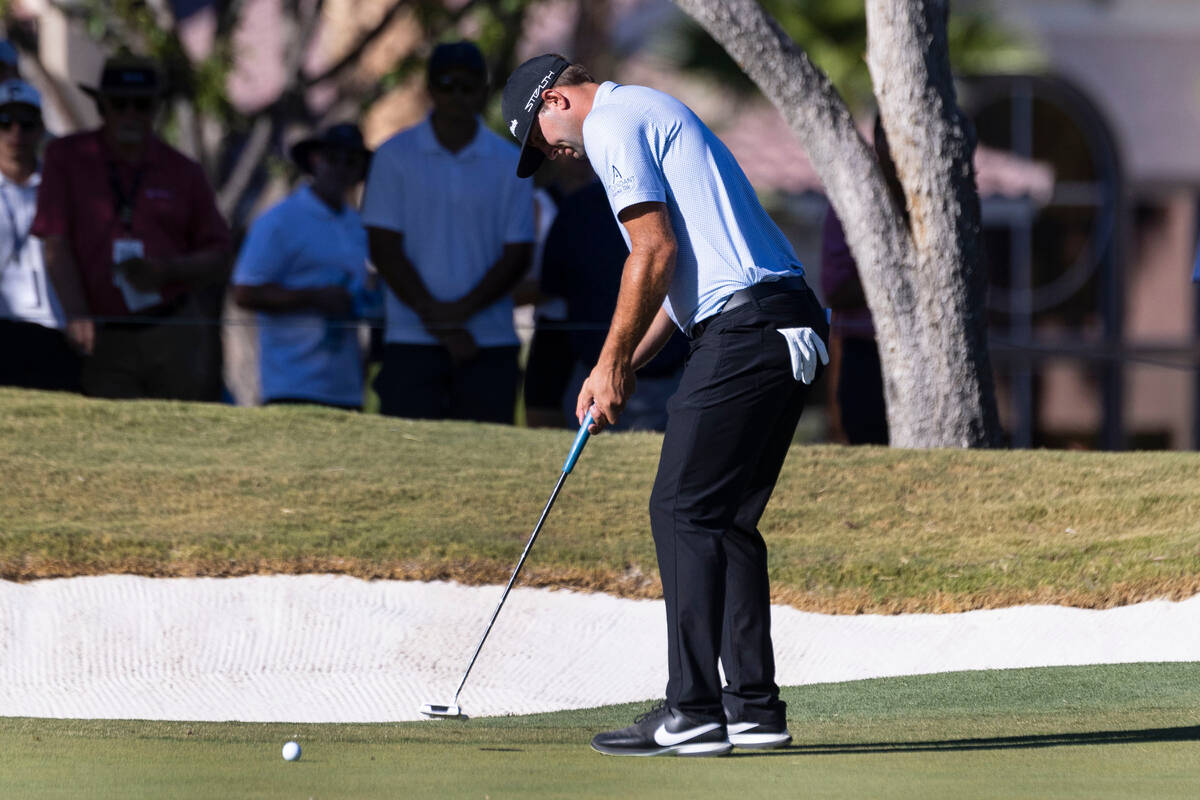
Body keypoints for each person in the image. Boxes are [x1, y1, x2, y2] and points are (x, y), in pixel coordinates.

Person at [502, 55, 829, 756]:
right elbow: (677, 286)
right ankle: (753, 708)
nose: (554, 154)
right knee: (725, 520)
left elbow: (650, 253)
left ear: (556, 99)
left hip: (745, 330)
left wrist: (611, 362)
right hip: (783, 320)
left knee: (680, 508)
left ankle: (693, 710)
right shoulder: (646, 113)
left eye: (542, 139)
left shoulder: (614, 123)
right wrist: (614, 364)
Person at [32, 52, 232, 401]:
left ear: (155, 109)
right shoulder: (67, 158)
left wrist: (167, 271)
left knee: (178, 434)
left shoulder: (183, 170)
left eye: (141, 105)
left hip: (171, 327)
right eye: (119, 104)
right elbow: (55, 241)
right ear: (102, 106)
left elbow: (219, 254)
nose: (130, 114)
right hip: (102, 330)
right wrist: (76, 313)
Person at [362, 41, 534, 423]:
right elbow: (383, 247)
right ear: (430, 89)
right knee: (406, 464)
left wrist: (456, 316)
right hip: (409, 342)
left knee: (487, 467)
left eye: (467, 85)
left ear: (483, 92)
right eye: (446, 83)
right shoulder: (393, 156)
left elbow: (518, 253)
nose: (456, 94)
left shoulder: (511, 161)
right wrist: (443, 323)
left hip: (489, 344)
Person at [231, 124, 377, 410]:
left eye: (351, 161)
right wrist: (315, 297)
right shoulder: (280, 221)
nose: (341, 168)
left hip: (345, 388)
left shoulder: (358, 226)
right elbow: (244, 292)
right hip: (291, 383)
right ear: (315, 160)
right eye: (333, 158)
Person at [539, 175, 687, 431]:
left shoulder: (578, 205)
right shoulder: (580, 206)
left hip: (666, 373)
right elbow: (555, 284)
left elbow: (553, 285)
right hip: (598, 373)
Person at [821, 116, 898, 445]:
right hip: (866, 350)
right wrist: (900, 279)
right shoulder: (851, 202)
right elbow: (836, 290)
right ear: (879, 144)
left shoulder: (943, 200)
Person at [0, 79, 79, 391]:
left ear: (41, 128)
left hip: (53, 326)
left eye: (27, 122)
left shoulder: (63, 185)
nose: (16, 133)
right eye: (4, 122)